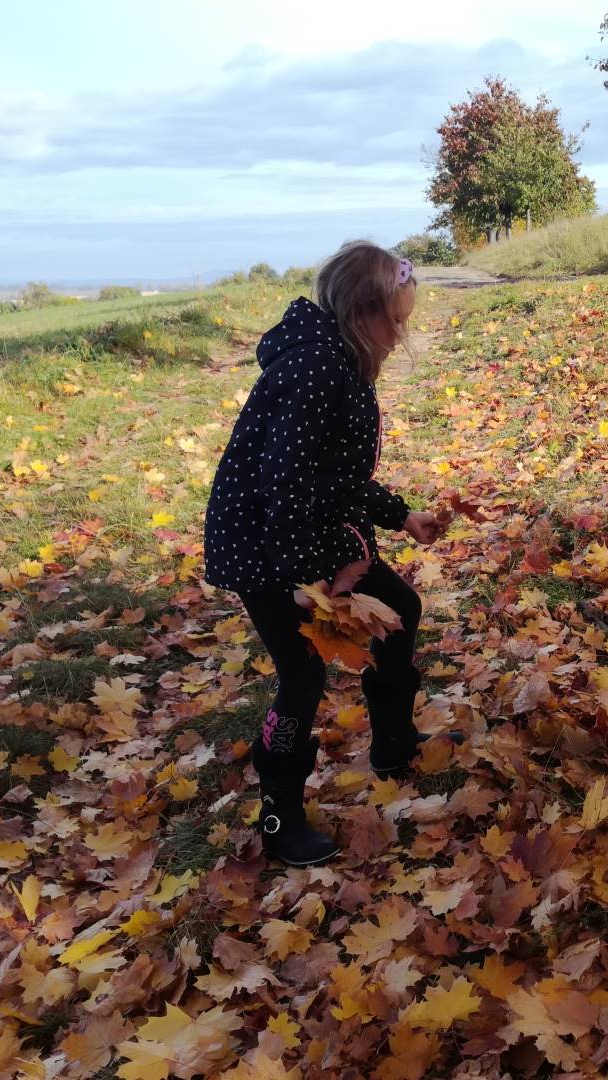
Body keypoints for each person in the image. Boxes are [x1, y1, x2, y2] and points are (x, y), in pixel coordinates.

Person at [204, 240, 448, 866]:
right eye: (396, 321)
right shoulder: (315, 368)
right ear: (361, 313)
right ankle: (279, 816)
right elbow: (284, 485)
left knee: (400, 610)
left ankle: (392, 742)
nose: (400, 336)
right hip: (266, 547)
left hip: (312, 531)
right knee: (303, 673)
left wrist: (400, 515)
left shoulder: (342, 360)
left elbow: (335, 477)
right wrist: (309, 582)